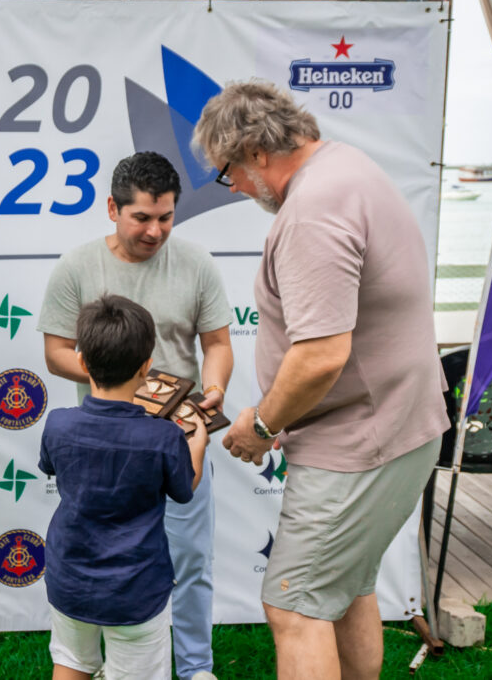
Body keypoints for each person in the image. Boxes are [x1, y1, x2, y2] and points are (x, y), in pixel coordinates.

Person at [192, 81, 448, 680]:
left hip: (361, 441)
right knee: (344, 590)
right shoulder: (349, 167)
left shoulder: (313, 208)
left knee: (294, 604)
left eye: (227, 172)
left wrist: (261, 423)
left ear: (255, 151)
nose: (234, 187)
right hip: (396, 425)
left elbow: (320, 357)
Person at [37, 151, 233, 680]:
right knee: (108, 559)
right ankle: (107, 661)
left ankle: (194, 667)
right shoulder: (76, 266)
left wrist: (212, 390)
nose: (155, 230)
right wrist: (130, 385)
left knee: (190, 560)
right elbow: (56, 353)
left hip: (182, 433)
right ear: (112, 209)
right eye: (142, 217)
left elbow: (217, 343)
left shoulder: (196, 263)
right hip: (105, 448)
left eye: (165, 217)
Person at [40, 294, 209, 680]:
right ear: (147, 366)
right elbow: (185, 489)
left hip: (69, 577)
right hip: (136, 588)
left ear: (82, 362)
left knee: (70, 661)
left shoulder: (58, 424)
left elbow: (51, 466)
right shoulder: (165, 437)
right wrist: (195, 448)